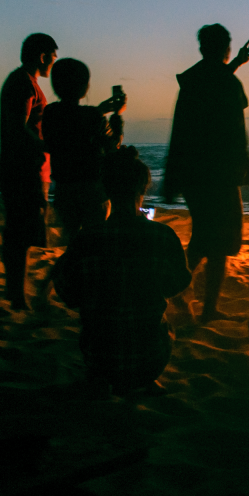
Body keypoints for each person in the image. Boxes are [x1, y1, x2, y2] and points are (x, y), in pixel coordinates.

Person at [55, 147, 192, 397]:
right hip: (150, 361)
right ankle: (143, 378)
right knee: (166, 320)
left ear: (105, 189)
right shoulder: (163, 236)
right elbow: (177, 283)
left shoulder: (85, 240)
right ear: (143, 188)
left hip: (98, 358)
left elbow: (68, 294)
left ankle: (102, 378)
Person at [162, 24, 249, 322]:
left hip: (194, 175)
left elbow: (179, 131)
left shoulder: (194, 81)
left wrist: (172, 176)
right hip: (220, 175)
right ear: (225, 47)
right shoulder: (227, 85)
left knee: (203, 238)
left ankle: (173, 292)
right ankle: (203, 307)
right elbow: (236, 133)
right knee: (219, 244)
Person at [0, 32, 56, 310]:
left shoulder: (26, 82)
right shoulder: (23, 83)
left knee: (22, 233)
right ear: (43, 56)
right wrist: (47, 146)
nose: (54, 62)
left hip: (30, 168)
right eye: (53, 56)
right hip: (24, 169)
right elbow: (18, 127)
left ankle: (16, 292)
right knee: (20, 235)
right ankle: (17, 296)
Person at [42, 58, 126, 244]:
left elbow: (70, 122)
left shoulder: (50, 113)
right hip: (93, 191)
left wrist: (99, 111)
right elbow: (113, 145)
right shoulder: (93, 116)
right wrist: (117, 116)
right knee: (95, 242)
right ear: (84, 87)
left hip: (64, 190)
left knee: (72, 241)